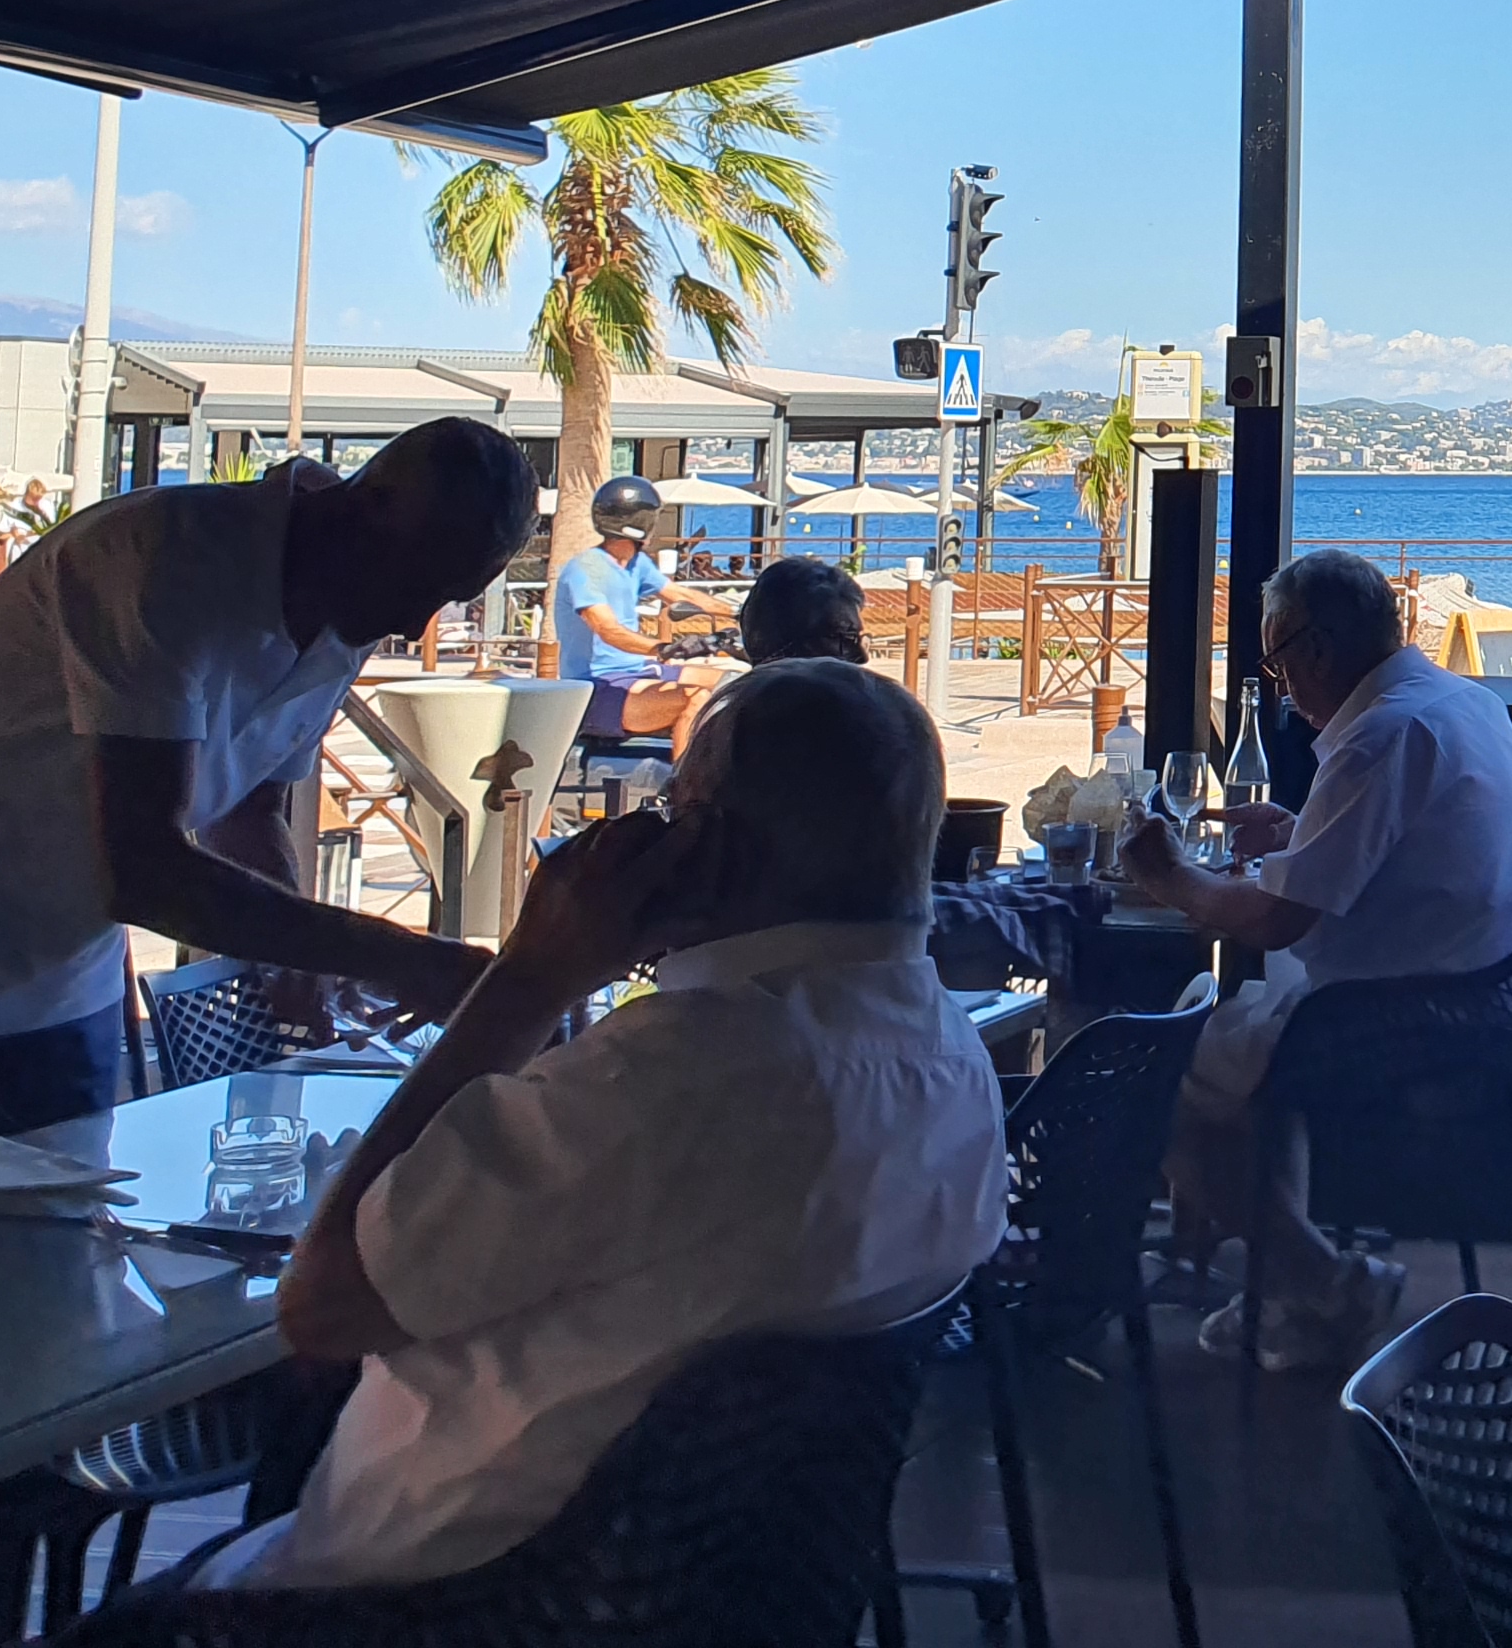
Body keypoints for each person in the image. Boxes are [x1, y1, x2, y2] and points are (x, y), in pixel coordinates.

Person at [208, 658, 1008, 1588]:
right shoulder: (954, 1061)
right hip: (712, 1590)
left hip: (440, 1590)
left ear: (706, 846)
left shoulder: (673, 1077)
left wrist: (530, 977)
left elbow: (324, 1305)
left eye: (672, 812)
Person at [0, 418, 529, 1142]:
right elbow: (145, 872)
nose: (413, 621)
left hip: (57, 967)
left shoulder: (357, 595)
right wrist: (405, 957)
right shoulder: (164, 557)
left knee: (62, 1250)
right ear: (367, 503)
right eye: (418, 583)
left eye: (447, 597)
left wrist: (303, 968)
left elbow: (248, 814)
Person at [1120, 549, 1512, 1372]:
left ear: (1315, 649)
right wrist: (1305, 835)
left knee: (1152, 1077)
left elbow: (1274, 921)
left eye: (1278, 664)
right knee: (1234, 1066)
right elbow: (1421, 853)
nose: (1282, 687)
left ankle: (1328, 1284)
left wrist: (1168, 876)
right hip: (1499, 994)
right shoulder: (1460, 702)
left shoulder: (1380, 735)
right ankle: (1294, 1291)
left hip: (1410, 1017)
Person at [658, 555, 867, 761]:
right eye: (847, 638)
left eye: (855, 638)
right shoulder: (871, 719)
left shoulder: (730, 722)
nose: (861, 657)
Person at [553, 476, 703, 742]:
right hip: (597, 685)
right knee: (697, 697)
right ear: (642, 523)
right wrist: (663, 648)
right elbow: (608, 630)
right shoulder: (585, 569)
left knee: (733, 683)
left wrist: (739, 613)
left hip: (639, 670)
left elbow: (680, 595)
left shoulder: (636, 563)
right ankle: (687, 771)